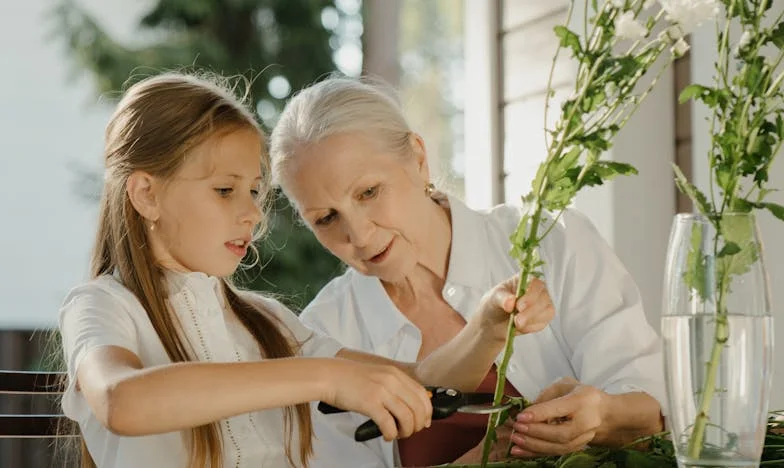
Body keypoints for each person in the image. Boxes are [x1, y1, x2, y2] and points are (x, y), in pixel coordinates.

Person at [57, 72, 553, 468]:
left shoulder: (264, 319)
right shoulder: (103, 305)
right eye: (226, 190)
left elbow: (418, 384)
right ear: (146, 194)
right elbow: (122, 401)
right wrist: (323, 377)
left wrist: (488, 326)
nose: (252, 213)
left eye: (254, 191)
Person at [269, 76, 667, 467]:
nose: (357, 234)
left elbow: (657, 409)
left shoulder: (553, 241)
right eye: (325, 218)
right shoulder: (323, 334)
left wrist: (602, 418)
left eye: (369, 192)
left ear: (418, 159)